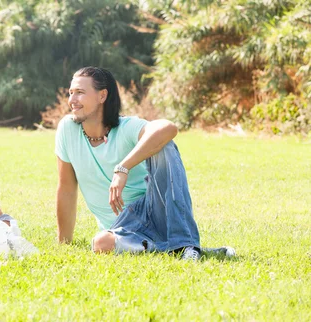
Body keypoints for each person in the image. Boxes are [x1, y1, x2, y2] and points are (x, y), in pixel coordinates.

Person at [55, 66, 234, 260]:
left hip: (153, 210)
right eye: (71, 92)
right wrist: (63, 243)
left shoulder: (126, 127)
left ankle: (185, 243)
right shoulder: (67, 129)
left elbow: (167, 128)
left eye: (80, 93)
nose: (72, 100)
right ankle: (177, 248)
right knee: (101, 243)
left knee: (163, 145)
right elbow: (66, 188)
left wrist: (123, 168)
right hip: (122, 227)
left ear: (102, 96)